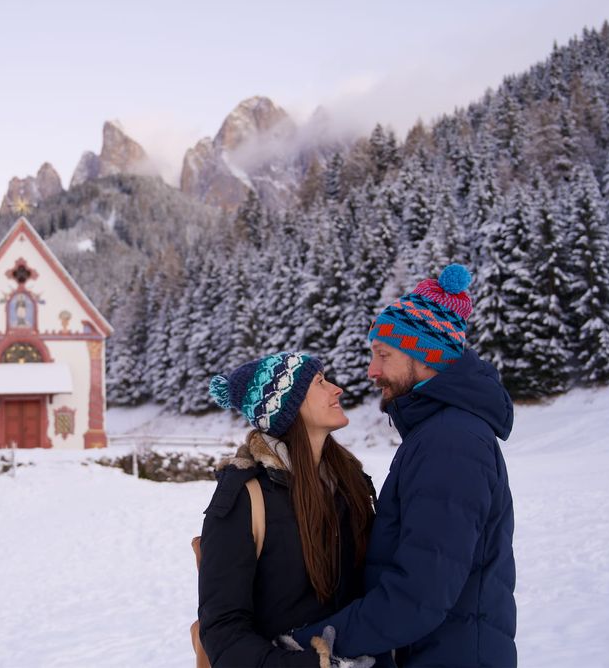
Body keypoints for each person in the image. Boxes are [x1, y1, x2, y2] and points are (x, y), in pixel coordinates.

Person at [291, 264, 517, 667]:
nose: (371, 370)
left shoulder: (451, 443)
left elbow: (419, 596)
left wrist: (312, 644)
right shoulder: (439, 433)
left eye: (384, 355)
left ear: (427, 357)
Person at [198, 351, 383, 667]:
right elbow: (223, 632)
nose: (336, 389)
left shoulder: (351, 483)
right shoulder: (246, 496)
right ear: (287, 406)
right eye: (319, 382)